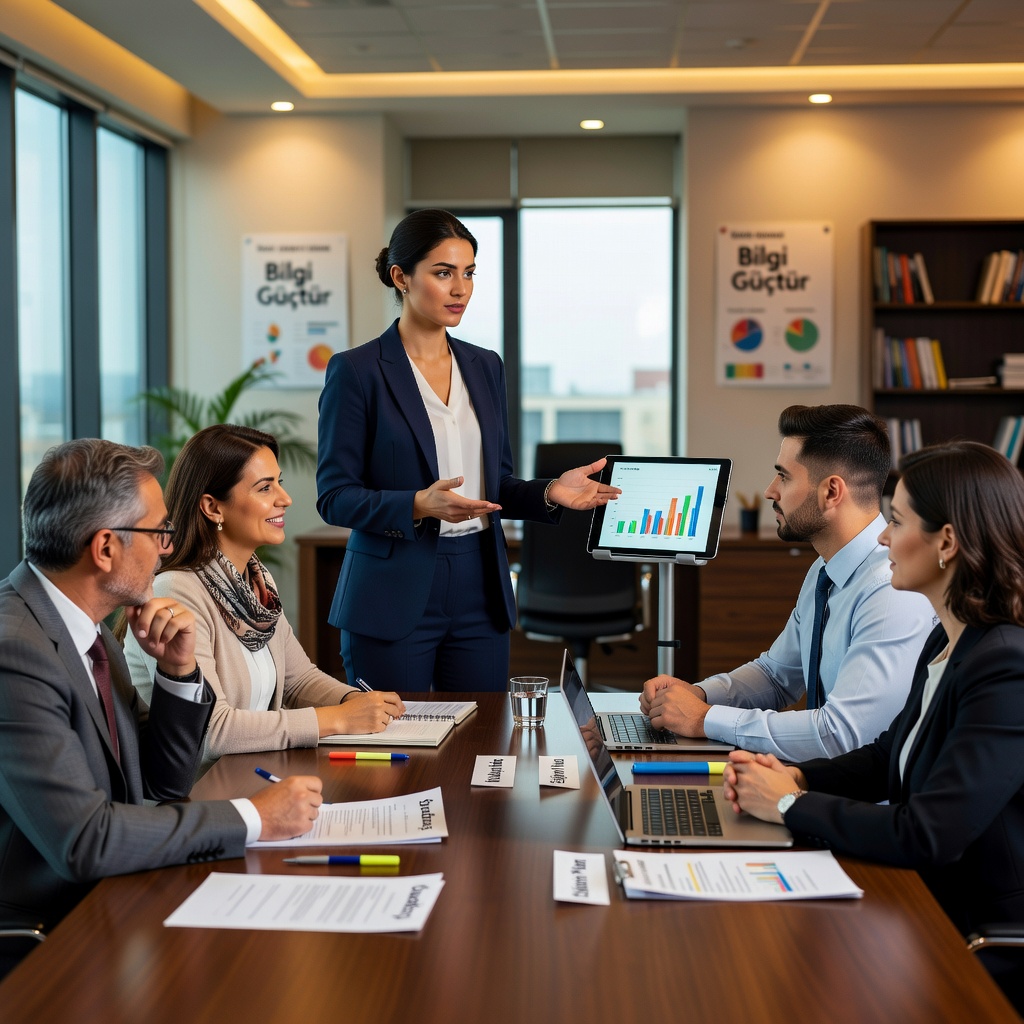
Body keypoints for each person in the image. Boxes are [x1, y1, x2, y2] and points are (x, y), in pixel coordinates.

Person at [0, 439, 321, 969]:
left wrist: (177, 672)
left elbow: (161, 783)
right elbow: (85, 839)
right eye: (160, 532)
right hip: (48, 931)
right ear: (106, 548)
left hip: (115, 895)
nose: (169, 548)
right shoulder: (17, 650)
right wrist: (253, 816)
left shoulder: (89, 629)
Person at [722, 441, 1024, 1003]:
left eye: (898, 520)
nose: (882, 536)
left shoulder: (1006, 665)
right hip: (921, 903)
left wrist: (789, 804)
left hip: (978, 937)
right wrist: (794, 776)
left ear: (948, 543)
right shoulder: (948, 637)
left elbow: (926, 833)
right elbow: (889, 755)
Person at [316, 209, 620, 692]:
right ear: (401, 277)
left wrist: (550, 493)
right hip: (395, 588)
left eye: (469, 273)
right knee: (399, 752)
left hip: (481, 582)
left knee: (481, 745)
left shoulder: (484, 366)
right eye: (443, 273)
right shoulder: (357, 371)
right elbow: (334, 496)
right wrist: (418, 504)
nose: (461, 289)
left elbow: (495, 484)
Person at [641, 404, 935, 761]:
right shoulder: (825, 571)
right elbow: (776, 676)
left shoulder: (889, 589)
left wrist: (705, 719)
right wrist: (696, 696)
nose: (770, 491)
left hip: (860, 804)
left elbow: (842, 735)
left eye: (784, 476)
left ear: (831, 492)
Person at [124, 425, 404, 775]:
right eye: (265, 487)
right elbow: (214, 731)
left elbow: (299, 680)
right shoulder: (177, 590)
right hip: (197, 798)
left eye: (279, 482)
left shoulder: (256, 582)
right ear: (212, 507)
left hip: (252, 778)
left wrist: (355, 701)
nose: (284, 499)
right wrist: (337, 719)